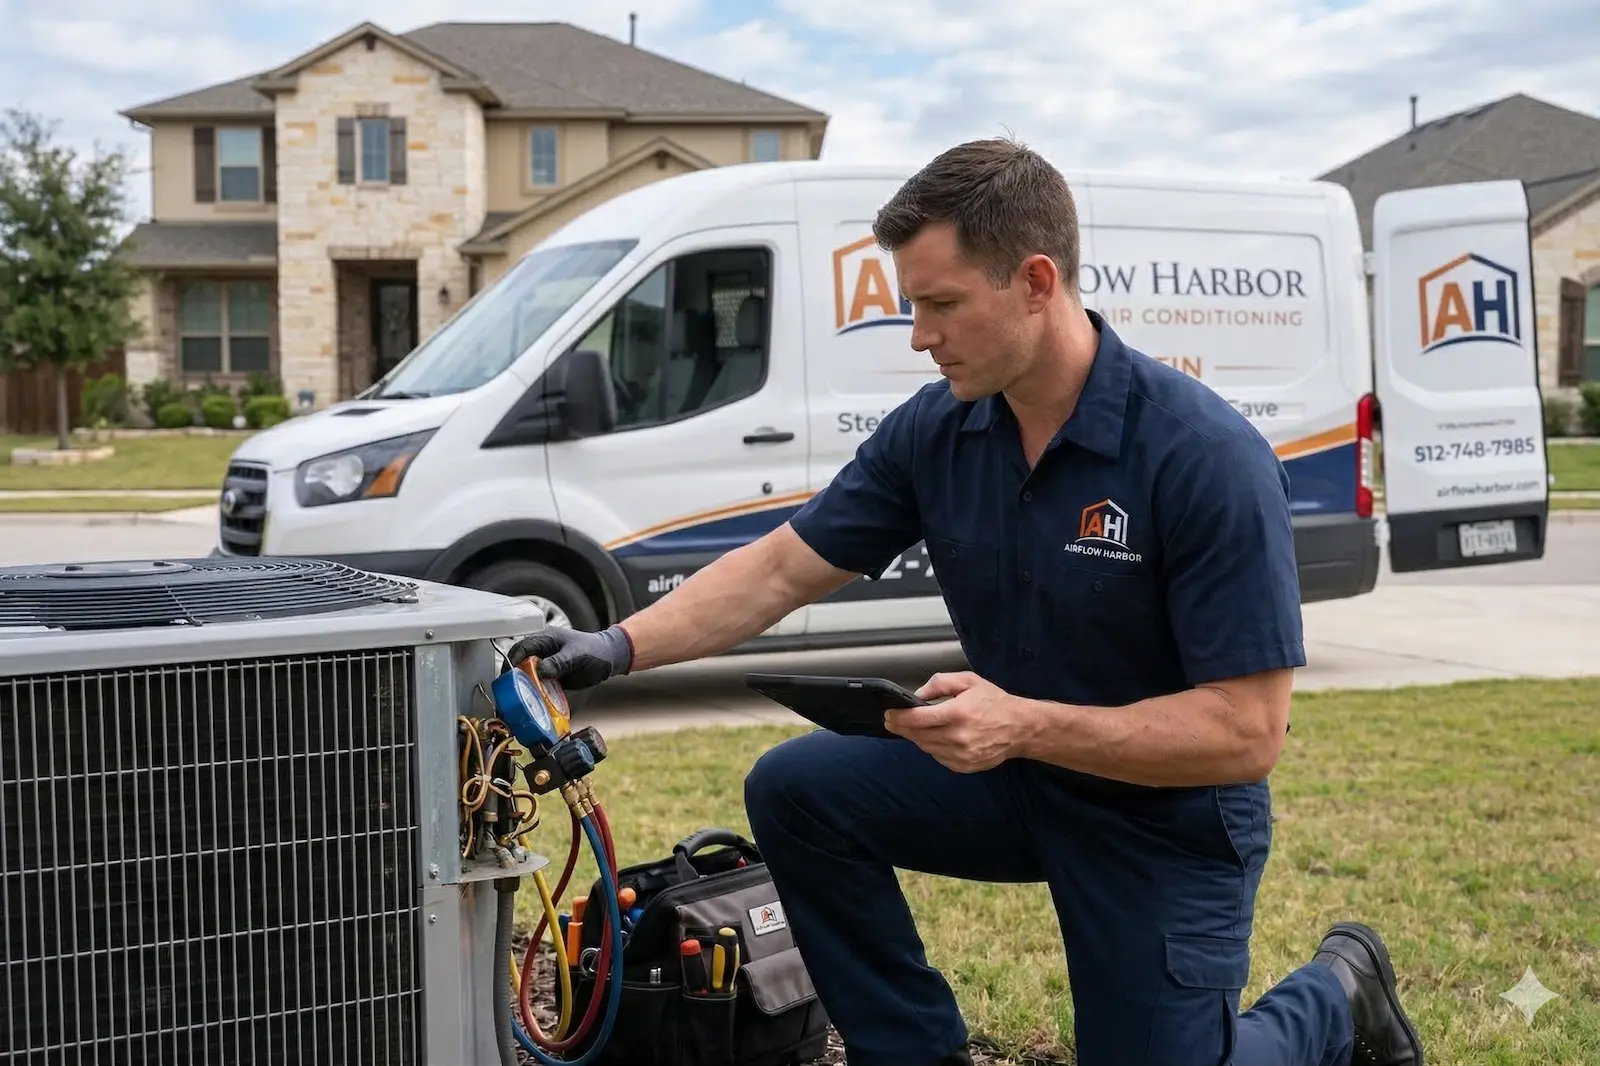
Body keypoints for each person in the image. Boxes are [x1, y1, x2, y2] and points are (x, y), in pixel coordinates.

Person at [509, 138, 1425, 1066]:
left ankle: (1338, 995)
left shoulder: (1201, 457)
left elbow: (1245, 734)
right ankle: (912, 1053)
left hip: (1168, 817)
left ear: (1035, 282)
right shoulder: (939, 429)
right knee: (796, 790)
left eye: (941, 304)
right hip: (1020, 779)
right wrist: (616, 648)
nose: (918, 334)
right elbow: (783, 568)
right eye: (912, 304)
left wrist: (1021, 724)